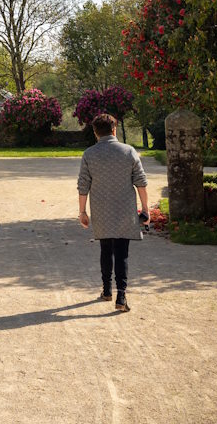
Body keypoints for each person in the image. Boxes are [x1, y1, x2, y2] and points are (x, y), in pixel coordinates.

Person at [77, 113, 149, 313]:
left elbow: (83, 185)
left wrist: (82, 211)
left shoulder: (89, 154)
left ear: (95, 133)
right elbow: (141, 182)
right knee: (122, 252)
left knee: (105, 249)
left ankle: (107, 290)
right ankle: (121, 296)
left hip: (101, 209)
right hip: (125, 209)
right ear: (114, 130)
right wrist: (145, 208)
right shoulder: (129, 151)